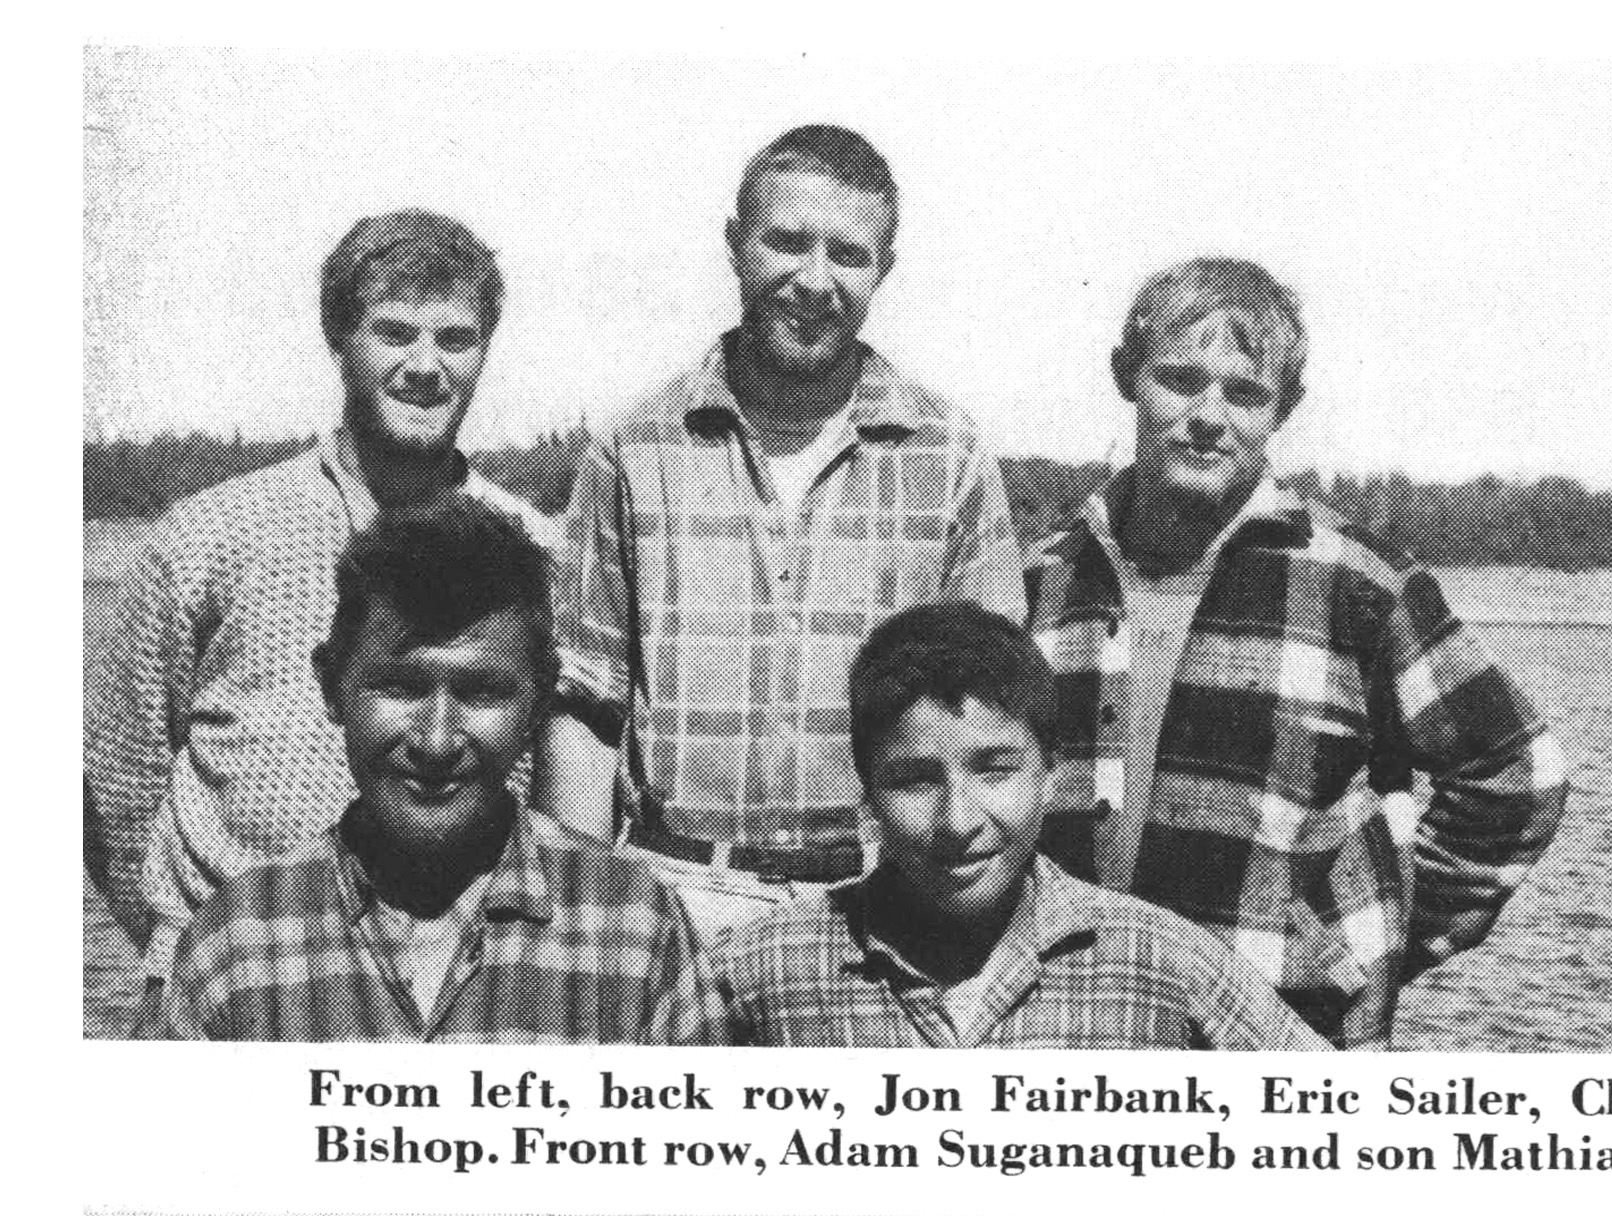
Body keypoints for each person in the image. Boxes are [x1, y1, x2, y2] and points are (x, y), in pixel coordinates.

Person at [1026, 258, 1569, 1047]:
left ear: (1284, 407)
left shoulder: (1361, 586)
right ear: (1124, 377)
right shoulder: (1040, 579)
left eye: (1244, 393)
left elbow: (1518, 772)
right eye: (1178, 381)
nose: (1207, 416)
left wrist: (1363, 942)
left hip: (1286, 1036)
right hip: (1071, 1030)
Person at [545, 125, 1024, 940]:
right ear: (735, 245)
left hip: (878, 901)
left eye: (848, 254)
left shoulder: (948, 457)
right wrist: (575, 922)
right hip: (669, 894)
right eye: (787, 242)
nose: (814, 280)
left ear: (884, 268)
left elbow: (986, 723)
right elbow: (584, 710)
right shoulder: (635, 447)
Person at [84, 210, 552, 1008]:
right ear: (339, 337)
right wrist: (191, 943)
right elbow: (114, 788)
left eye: (455, 340)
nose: (425, 366)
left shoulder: (532, 555)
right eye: (394, 333)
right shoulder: (210, 536)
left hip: (454, 989)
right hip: (224, 983)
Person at [162, 499, 722, 1042]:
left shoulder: (638, 930)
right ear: (331, 686)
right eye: (401, 687)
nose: (435, 742)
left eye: (481, 693)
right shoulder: (232, 947)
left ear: (540, 701)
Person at [710, 601, 1329, 1049]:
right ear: (867, 793)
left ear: (1050, 775)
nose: (957, 821)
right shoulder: (755, 975)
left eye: (994, 771)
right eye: (914, 781)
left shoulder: (1162, 965)